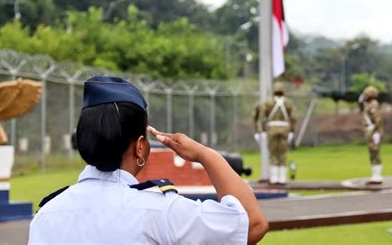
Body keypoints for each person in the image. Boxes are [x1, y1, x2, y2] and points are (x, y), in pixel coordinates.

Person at [29, 76, 268, 244]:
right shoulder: (161, 211)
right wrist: (205, 154)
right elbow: (252, 225)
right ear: (141, 146)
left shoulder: (46, 215)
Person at [260, 82, 297, 184]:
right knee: (282, 153)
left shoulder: (268, 102)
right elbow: (293, 117)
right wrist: (292, 131)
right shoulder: (288, 102)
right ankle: (282, 178)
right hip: (285, 129)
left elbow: (263, 117)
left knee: (273, 153)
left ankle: (274, 178)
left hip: (271, 129)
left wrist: (263, 130)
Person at [359, 85, 383, 184]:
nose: (365, 95)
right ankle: (374, 175)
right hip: (369, 130)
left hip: (373, 131)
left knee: (375, 152)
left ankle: (377, 176)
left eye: (367, 93)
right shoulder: (367, 104)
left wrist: (374, 132)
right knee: (371, 153)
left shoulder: (374, 104)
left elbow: (377, 119)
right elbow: (360, 105)